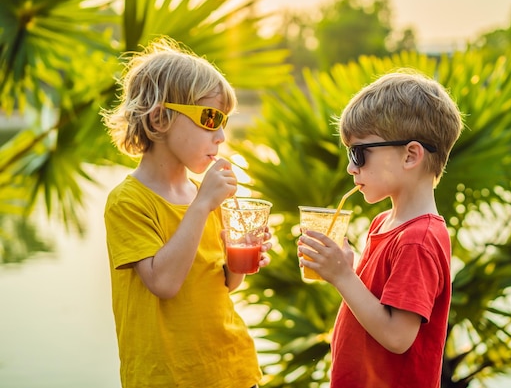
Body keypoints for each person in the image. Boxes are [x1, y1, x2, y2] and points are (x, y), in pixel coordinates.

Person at [102, 37, 269, 388]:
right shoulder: (129, 202)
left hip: (232, 369)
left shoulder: (203, 194)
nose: (221, 135)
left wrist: (243, 257)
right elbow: (164, 283)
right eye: (210, 118)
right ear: (160, 118)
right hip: (169, 378)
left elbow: (224, 284)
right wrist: (203, 205)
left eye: (224, 121)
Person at [298, 71, 463, 388]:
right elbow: (378, 300)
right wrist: (348, 265)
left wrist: (343, 277)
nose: (351, 167)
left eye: (359, 153)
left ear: (410, 155)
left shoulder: (419, 240)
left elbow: (397, 336)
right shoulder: (384, 223)